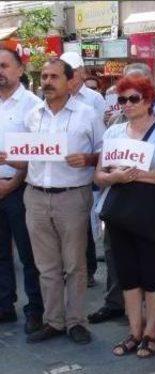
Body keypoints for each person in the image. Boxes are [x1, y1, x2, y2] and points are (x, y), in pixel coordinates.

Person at [0, 58, 105, 345]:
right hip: (35, 195)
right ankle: (53, 321)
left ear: (70, 81)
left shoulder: (87, 114)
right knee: (46, 266)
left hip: (71, 196)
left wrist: (87, 159)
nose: (47, 81)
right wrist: (11, 159)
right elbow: (28, 158)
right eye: (44, 76)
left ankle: (76, 321)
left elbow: (104, 153)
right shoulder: (33, 114)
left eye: (54, 76)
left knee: (74, 265)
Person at [95, 74, 155, 358]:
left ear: (148, 100)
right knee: (127, 274)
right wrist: (116, 176)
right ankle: (134, 330)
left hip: (151, 213)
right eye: (123, 99)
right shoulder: (113, 133)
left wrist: (136, 176)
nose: (128, 104)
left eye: (134, 99)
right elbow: (99, 175)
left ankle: (151, 331)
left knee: (152, 273)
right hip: (120, 213)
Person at [0, 47, 44, 335]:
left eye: (4, 66)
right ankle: (4, 305)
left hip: (20, 187)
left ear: (19, 69)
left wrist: (13, 183)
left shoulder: (32, 106)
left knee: (29, 254)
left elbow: (36, 153)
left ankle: (36, 310)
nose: (0, 72)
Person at [60, 51, 107, 289]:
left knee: (85, 222)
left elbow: (99, 136)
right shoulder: (57, 97)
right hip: (61, 169)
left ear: (79, 72)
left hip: (86, 169)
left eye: (70, 71)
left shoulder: (94, 99)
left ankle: (87, 268)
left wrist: (89, 159)